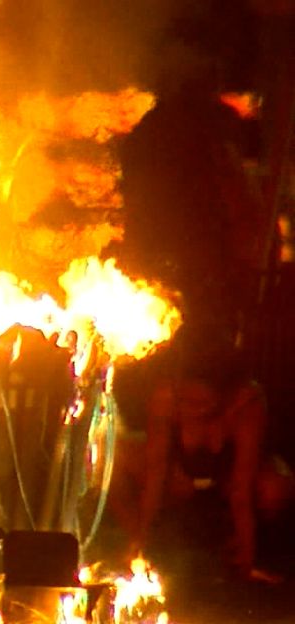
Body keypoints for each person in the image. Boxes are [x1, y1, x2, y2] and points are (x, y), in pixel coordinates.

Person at [109, 26, 292, 579]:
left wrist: (247, 556)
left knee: (272, 487)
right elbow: (160, 459)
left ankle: (249, 554)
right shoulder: (169, 396)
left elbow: (240, 489)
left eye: (196, 403)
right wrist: (138, 547)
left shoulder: (245, 405)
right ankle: (143, 546)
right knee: (128, 464)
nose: (188, 407)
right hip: (180, 264)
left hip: (217, 264)